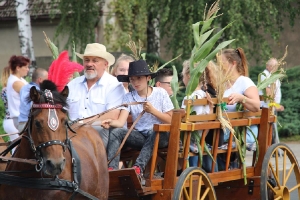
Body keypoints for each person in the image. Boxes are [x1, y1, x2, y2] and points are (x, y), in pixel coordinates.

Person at [102, 60, 174, 177]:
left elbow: (171, 120)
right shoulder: (129, 97)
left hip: (161, 136)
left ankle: (138, 168)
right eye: (132, 79)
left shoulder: (161, 93)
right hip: (141, 137)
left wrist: (153, 111)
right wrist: (110, 122)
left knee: (154, 130)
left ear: (148, 78)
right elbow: (121, 122)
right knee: (116, 132)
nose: (135, 82)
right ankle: (112, 169)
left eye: (139, 78)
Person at [67, 43, 125, 148]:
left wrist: (81, 123)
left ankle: (101, 164)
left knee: (101, 129)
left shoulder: (114, 85)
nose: (89, 64)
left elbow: (112, 115)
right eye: (87, 60)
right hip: (72, 133)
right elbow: (62, 110)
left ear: (105, 64)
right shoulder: (72, 85)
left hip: (98, 133)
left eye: (95, 60)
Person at [181, 60, 218, 171]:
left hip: (190, 139)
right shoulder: (204, 95)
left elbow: (188, 120)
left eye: (182, 76)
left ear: (188, 76)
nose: (182, 79)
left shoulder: (192, 98)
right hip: (201, 138)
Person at [221, 48, 260, 150]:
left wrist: (242, 98)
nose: (220, 66)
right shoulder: (222, 84)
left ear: (233, 63)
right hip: (224, 130)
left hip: (241, 131)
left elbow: (256, 106)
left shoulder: (244, 81)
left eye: (223, 63)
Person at [260, 58, 284, 145]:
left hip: (271, 105)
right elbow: (268, 92)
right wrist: (275, 105)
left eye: (276, 66)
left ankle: (272, 146)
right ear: (268, 66)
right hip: (267, 106)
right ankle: (271, 146)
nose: (275, 68)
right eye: (273, 66)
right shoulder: (265, 75)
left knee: (272, 127)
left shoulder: (272, 75)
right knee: (270, 127)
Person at [6, 55, 30, 132]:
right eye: (25, 67)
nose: (28, 69)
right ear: (18, 68)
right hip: (20, 118)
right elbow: (32, 95)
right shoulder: (16, 82)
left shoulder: (20, 79)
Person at [1, 66, 19, 142]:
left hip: (7, 121)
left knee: (15, 146)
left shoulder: (3, 90)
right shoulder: (11, 89)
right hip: (14, 120)